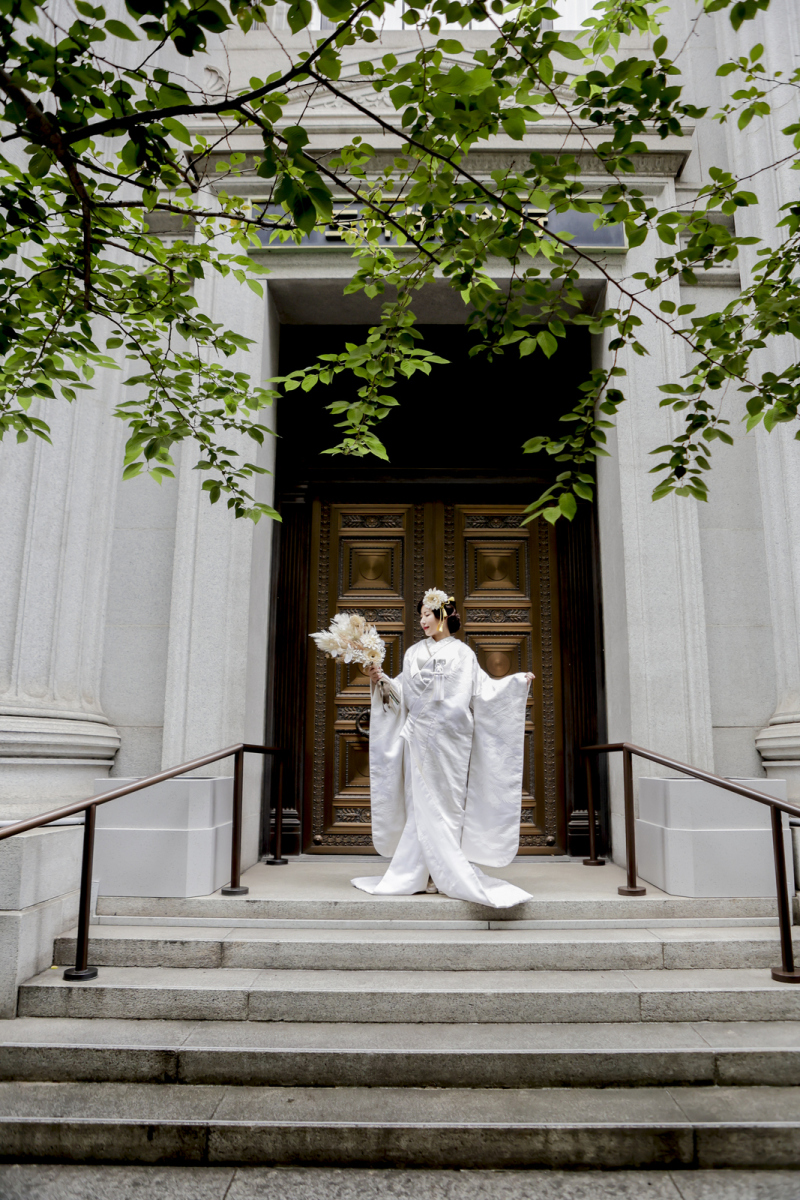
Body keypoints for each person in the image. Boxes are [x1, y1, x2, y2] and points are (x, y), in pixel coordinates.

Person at [351, 588, 535, 909]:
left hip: (452, 742)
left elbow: (484, 691)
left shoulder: (464, 655)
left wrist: (515, 683)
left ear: (444, 615)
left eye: (427, 613)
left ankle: (443, 871)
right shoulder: (411, 654)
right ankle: (422, 872)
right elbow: (398, 698)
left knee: (448, 805)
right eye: (420, 614)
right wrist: (379, 679)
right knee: (419, 803)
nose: (422, 620)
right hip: (419, 738)